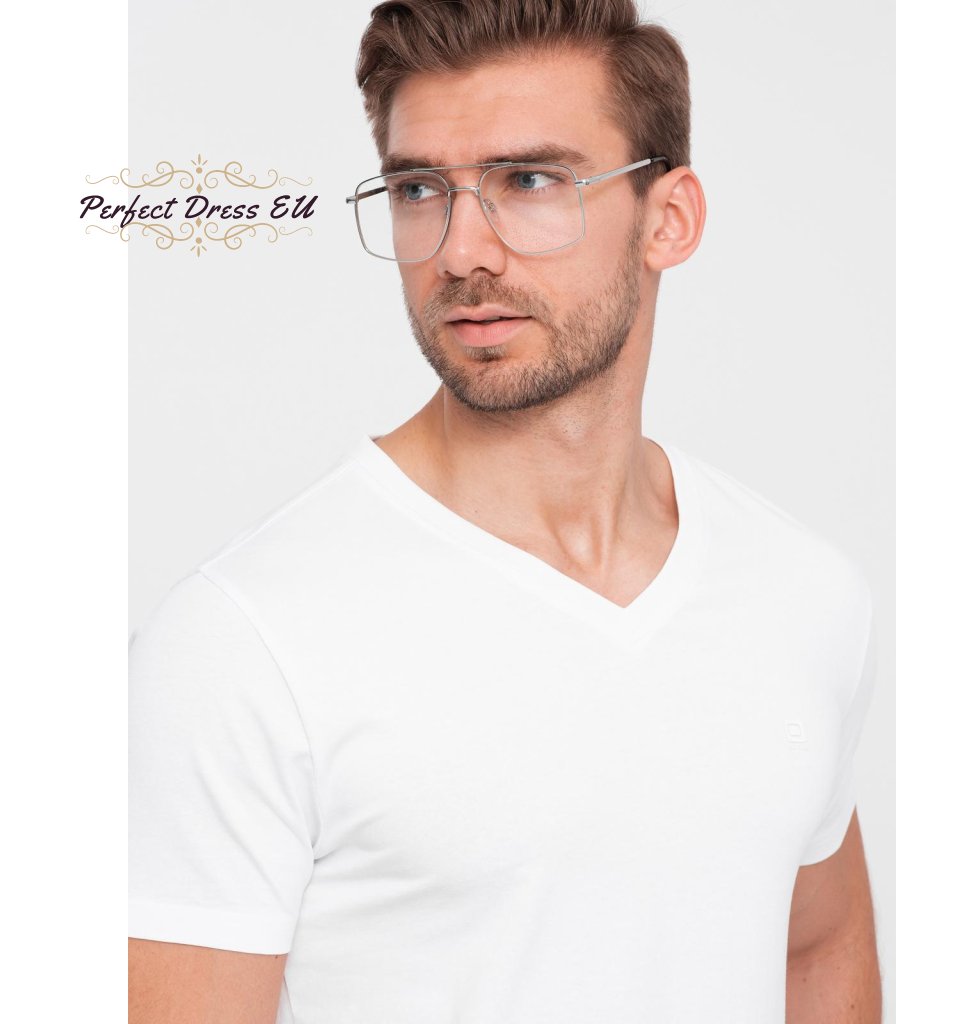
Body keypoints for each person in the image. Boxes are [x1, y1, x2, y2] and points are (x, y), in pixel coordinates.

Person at [127, 1, 882, 1022]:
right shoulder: (243, 642)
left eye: (529, 181)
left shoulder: (798, 593)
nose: (461, 251)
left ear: (668, 218)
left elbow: (818, 945)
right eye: (419, 190)